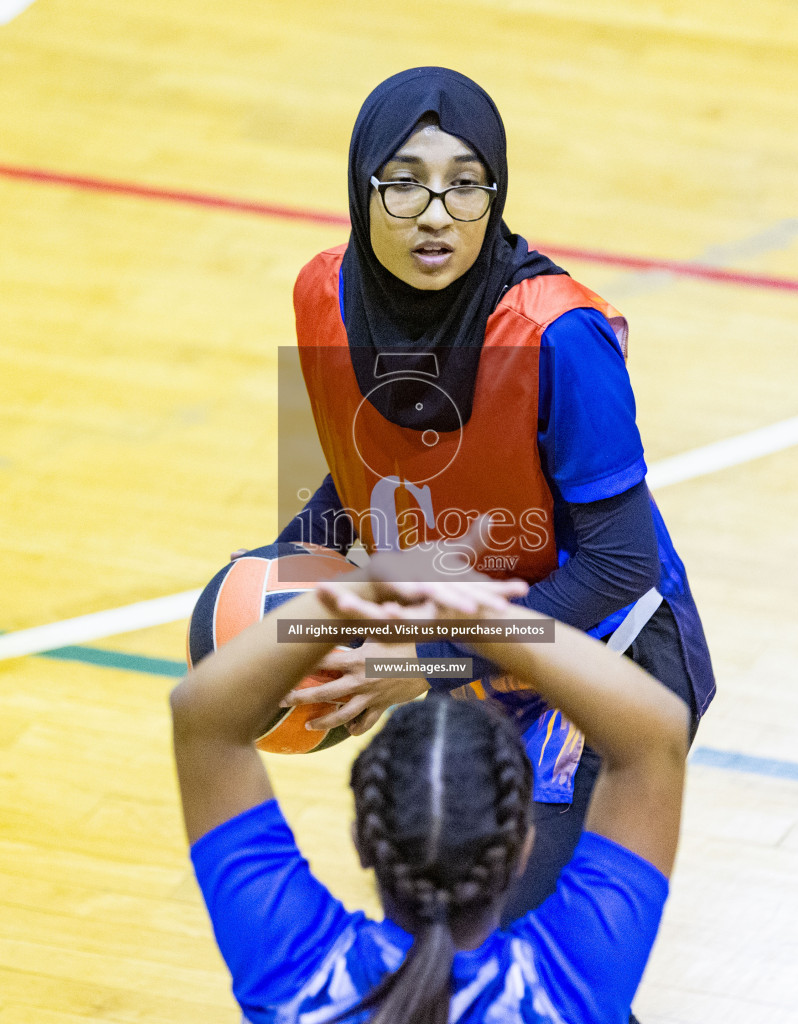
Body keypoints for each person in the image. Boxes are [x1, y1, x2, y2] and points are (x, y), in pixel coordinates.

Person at [271, 66, 715, 923]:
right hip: (471, 653)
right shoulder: (319, 295)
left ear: (496, 194)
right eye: (404, 185)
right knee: (447, 926)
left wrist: (419, 664)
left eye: (465, 187)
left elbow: (618, 565)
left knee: (509, 936)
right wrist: (280, 592)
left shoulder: (561, 336)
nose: (436, 214)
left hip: (603, 655)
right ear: (362, 190)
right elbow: (351, 478)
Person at [172, 527, 690, 1023]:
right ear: (524, 850)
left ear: (361, 843)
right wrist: (481, 620)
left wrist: (365, 586)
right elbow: (653, 737)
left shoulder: (297, 974)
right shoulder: (566, 987)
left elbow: (204, 718)